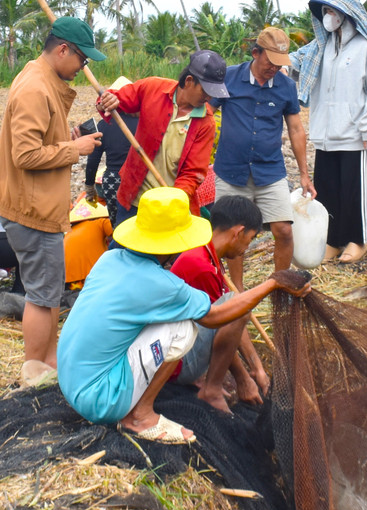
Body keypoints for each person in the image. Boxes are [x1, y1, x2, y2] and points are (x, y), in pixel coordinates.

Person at [56, 187, 311, 444]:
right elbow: (213, 317)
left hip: (71, 383)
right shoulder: (163, 283)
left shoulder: (110, 259)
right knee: (182, 327)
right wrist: (272, 284)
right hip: (100, 400)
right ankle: (140, 417)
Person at [0, 17, 105, 389]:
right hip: (32, 208)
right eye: (81, 59)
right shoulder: (34, 89)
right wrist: (75, 148)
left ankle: (50, 359)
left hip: (39, 204)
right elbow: (25, 154)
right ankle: (33, 369)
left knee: (50, 288)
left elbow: (41, 137)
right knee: (42, 295)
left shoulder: (40, 78)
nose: (83, 67)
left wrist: (64, 137)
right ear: (62, 50)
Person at [290, 0, 367, 263]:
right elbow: (295, 64)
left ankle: (358, 241)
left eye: (331, 12)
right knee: (328, 190)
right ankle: (333, 241)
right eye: (324, 11)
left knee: (353, 192)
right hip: (325, 134)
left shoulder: (364, 48)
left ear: (345, 15)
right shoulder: (320, 49)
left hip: (354, 134)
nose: (327, 17)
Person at [214, 27, 314, 289]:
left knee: (284, 230)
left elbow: (295, 129)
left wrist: (304, 174)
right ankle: (237, 291)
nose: (274, 68)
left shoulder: (286, 86)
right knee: (233, 233)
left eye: (280, 63)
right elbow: (203, 115)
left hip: (270, 171)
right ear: (255, 53)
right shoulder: (229, 78)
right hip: (230, 171)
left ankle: (279, 285)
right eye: (270, 61)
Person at [94, 51, 227, 228]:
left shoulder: (205, 123)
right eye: (205, 90)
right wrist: (109, 100)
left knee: (164, 255)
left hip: (169, 207)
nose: (209, 98)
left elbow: (192, 174)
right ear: (188, 81)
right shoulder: (153, 88)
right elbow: (118, 98)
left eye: (213, 92)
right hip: (133, 197)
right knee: (124, 249)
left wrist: (170, 201)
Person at [170, 194, 271, 410]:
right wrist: (244, 380)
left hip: (180, 346)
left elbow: (230, 317)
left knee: (235, 305)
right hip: (175, 364)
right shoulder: (201, 266)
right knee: (236, 304)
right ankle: (211, 390)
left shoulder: (208, 255)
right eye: (251, 238)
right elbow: (226, 319)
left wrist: (257, 368)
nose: (248, 247)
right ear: (238, 233)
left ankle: (206, 380)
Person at [80, 75, 136, 205]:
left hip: (113, 181)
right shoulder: (144, 122)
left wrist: (89, 186)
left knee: (117, 222)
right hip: (140, 179)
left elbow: (93, 160)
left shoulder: (103, 125)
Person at [65, 193, 114, 292]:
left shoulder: (70, 232)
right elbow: (118, 233)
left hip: (69, 279)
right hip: (92, 275)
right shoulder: (101, 222)